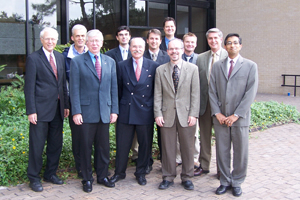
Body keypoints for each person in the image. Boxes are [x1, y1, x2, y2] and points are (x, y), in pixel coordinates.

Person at [69, 29, 118, 193]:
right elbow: (74, 90)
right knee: (85, 148)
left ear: (102, 43)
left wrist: (114, 110)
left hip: (104, 112)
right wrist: (76, 112)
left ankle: (103, 176)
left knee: (103, 147)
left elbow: (114, 88)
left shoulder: (109, 62)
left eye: (98, 41)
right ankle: (87, 178)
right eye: (92, 41)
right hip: (86, 113)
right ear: (87, 43)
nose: (95, 43)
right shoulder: (77, 62)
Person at [209, 33, 258, 197]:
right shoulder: (217, 66)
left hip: (240, 118)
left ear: (240, 46)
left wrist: (236, 115)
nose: (232, 45)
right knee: (222, 151)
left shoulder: (251, 66)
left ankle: (237, 181)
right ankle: (224, 181)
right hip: (221, 118)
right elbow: (212, 91)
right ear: (225, 46)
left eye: (235, 43)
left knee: (240, 151)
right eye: (229, 43)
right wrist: (217, 113)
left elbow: (250, 93)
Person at [24, 27, 69, 192]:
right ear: (41, 40)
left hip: (58, 109)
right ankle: (34, 178)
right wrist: (31, 110)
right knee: (37, 145)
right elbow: (29, 87)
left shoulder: (59, 57)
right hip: (40, 111)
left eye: (53, 39)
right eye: (47, 39)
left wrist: (66, 105)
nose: (51, 42)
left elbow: (63, 83)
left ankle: (50, 173)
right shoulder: (33, 58)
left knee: (55, 145)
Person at [110, 37, 159, 186]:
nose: (137, 49)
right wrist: (116, 110)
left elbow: (156, 91)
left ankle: (141, 172)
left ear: (144, 48)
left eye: (140, 46)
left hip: (146, 111)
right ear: (129, 48)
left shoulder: (154, 66)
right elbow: (117, 89)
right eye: (134, 46)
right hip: (126, 110)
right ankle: (119, 172)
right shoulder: (121, 65)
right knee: (122, 144)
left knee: (145, 145)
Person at [154, 38, 200, 190]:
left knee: (188, 147)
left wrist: (194, 114)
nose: (174, 51)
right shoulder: (160, 70)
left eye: (177, 49)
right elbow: (157, 94)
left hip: (187, 115)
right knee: (167, 148)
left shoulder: (192, 69)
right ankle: (168, 177)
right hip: (166, 115)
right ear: (167, 51)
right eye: (171, 49)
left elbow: (195, 94)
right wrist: (157, 114)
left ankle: (187, 177)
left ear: (182, 50)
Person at [194, 28, 228, 177]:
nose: (213, 41)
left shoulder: (228, 56)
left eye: (216, 38)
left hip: (222, 106)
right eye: (210, 39)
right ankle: (205, 165)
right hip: (205, 104)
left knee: (222, 138)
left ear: (221, 39)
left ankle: (222, 169)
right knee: (205, 137)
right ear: (207, 40)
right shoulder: (201, 58)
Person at [105, 26, 138, 163]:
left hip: (136, 99)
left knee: (136, 130)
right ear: (117, 37)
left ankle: (136, 155)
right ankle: (121, 157)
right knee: (121, 131)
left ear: (129, 36)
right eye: (121, 35)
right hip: (119, 97)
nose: (124, 37)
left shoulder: (137, 52)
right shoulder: (109, 55)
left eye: (126, 34)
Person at [62, 24, 88, 178]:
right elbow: (63, 84)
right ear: (72, 38)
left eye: (83, 35)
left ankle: (93, 166)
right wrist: (67, 104)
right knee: (78, 137)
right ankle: (80, 167)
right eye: (77, 36)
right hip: (74, 103)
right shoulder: (65, 57)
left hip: (92, 103)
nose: (80, 38)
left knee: (93, 136)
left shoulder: (92, 53)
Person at [144, 28, 170, 162]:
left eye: (156, 39)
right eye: (151, 38)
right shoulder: (140, 55)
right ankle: (147, 160)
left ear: (161, 41)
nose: (154, 41)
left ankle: (164, 159)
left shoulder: (167, 56)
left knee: (163, 133)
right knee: (146, 133)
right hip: (146, 101)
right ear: (147, 40)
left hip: (164, 101)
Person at [176, 32, 200, 168]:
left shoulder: (199, 59)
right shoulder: (177, 57)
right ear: (183, 44)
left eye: (192, 42)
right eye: (187, 42)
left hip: (192, 103)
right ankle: (179, 157)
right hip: (177, 104)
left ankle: (194, 157)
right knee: (178, 134)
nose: (190, 44)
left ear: (195, 44)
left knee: (194, 133)